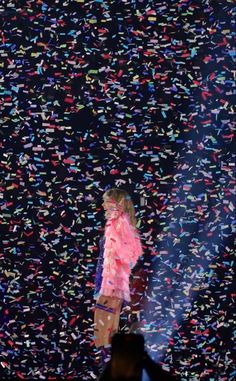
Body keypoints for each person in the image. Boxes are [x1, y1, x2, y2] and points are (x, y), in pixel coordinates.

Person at [93, 188, 143, 362]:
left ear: (117, 204)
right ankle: (109, 366)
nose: (103, 205)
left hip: (111, 286)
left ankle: (107, 367)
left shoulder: (119, 225)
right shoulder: (119, 223)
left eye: (107, 202)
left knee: (102, 334)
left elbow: (130, 256)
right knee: (106, 331)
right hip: (108, 284)